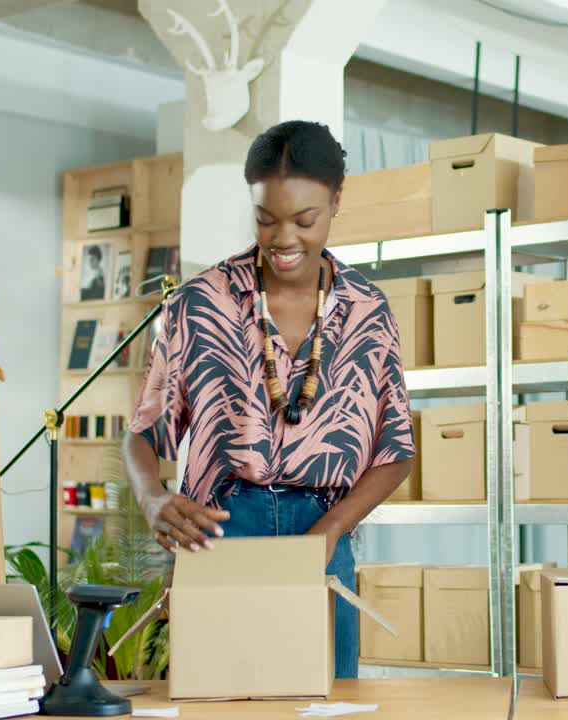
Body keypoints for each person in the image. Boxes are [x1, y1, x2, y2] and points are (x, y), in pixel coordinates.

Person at [123, 120, 416, 679]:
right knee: (218, 702)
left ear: (335, 203)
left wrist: (329, 533)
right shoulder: (198, 304)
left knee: (328, 706)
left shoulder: (367, 312)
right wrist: (151, 498)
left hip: (325, 531)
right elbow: (144, 429)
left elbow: (395, 449)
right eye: (265, 219)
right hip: (220, 530)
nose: (284, 239)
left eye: (305, 220)